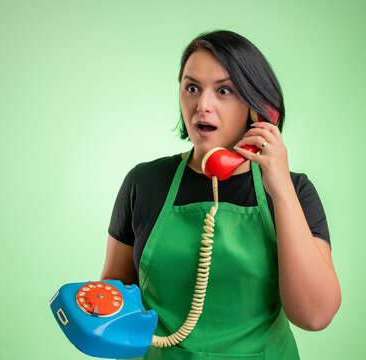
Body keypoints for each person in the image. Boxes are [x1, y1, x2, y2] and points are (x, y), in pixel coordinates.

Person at [100, 30, 341, 360]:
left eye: (224, 90)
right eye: (192, 88)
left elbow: (314, 315)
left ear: (258, 109)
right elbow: (115, 297)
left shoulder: (295, 190)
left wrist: (280, 188)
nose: (203, 105)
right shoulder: (144, 182)